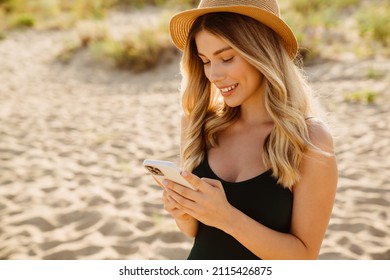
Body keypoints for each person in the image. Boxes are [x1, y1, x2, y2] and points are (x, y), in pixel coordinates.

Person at [160, 0, 338, 260]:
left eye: (226, 58)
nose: (213, 74)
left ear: (261, 52)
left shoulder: (309, 139)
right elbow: (194, 231)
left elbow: (303, 258)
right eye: (206, 61)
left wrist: (227, 217)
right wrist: (182, 211)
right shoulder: (197, 124)